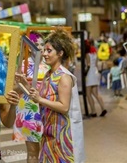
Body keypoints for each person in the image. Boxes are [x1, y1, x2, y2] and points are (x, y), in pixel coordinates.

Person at [16, 30, 85, 163]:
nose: (44, 54)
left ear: (60, 53)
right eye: (45, 50)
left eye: (49, 51)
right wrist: (26, 85)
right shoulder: (49, 74)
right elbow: (41, 95)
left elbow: (64, 107)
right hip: (49, 132)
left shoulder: (64, 77)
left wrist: (40, 99)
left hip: (61, 134)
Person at [13, 31, 49, 162]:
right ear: (28, 46)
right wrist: (22, 84)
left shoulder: (50, 63)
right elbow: (13, 89)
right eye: (35, 44)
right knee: (33, 151)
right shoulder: (23, 65)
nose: (38, 47)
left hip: (47, 109)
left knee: (49, 149)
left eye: (41, 44)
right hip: (28, 111)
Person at [85, 39, 107, 117]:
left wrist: (85, 74)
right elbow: (96, 64)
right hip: (95, 72)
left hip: (90, 73)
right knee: (95, 93)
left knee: (88, 94)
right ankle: (103, 108)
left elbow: (88, 65)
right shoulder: (95, 53)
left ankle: (93, 111)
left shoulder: (87, 54)